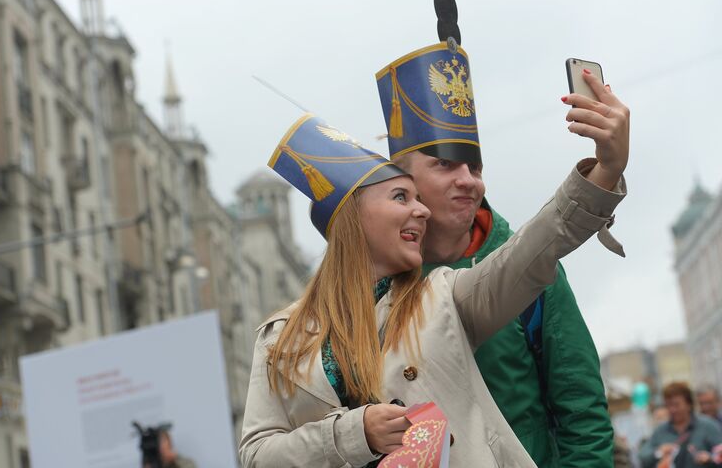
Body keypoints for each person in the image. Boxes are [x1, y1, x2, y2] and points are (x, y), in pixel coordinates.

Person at [239, 92, 628, 467]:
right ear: (353, 219)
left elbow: (537, 247)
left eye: (418, 199)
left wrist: (605, 171)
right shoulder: (280, 337)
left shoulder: (444, 296)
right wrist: (355, 434)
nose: (421, 211)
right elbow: (256, 455)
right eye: (400, 198)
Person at [376, 39, 616, 468]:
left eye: (476, 166)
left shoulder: (535, 270)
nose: (469, 180)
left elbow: (583, 414)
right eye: (445, 164)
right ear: (403, 180)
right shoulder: (372, 285)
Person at [639, 382, 722, 468]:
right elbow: (643, 456)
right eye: (668, 405)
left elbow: (720, 454)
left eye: (676, 405)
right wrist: (659, 452)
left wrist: (710, 459)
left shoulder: (708, 426)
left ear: (689, 404)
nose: (672, 410)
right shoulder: (660, 431)